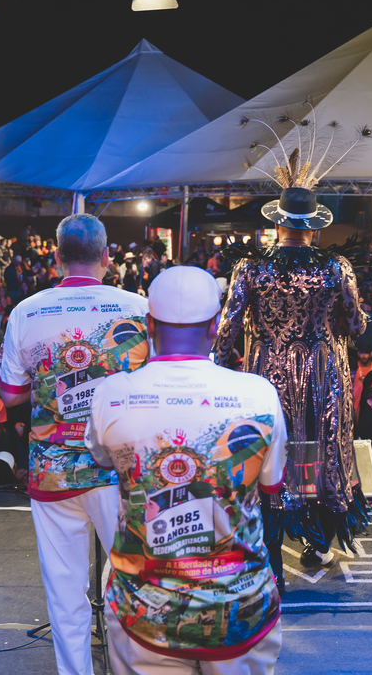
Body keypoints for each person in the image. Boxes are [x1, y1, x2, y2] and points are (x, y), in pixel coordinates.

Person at [85, 266, 287, 674]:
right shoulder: (258, 394)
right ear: (215, 326)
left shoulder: (110, 393)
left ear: (149, 326)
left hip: (143, 611)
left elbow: (104, 460)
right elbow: (271, 485)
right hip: (238, 608)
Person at [0, 213, 150, 675]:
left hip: (53, 470)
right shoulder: (138, 308)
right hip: (121, 471)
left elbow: (10, 394)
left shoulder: (27, 311)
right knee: (132, 582)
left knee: (64, 593)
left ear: (58, 257)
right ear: (107, 256)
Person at [216, 184, 367, 583]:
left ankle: (270, 558)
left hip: (265, 379)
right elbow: (356, 324)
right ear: (313, 228)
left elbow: (228, 327)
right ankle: (318, 544)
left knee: (269, 455)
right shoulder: (335, 267)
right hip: (323, 379)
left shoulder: (250, 267)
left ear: (277, 225)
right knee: (321, 454)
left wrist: (216, 368)